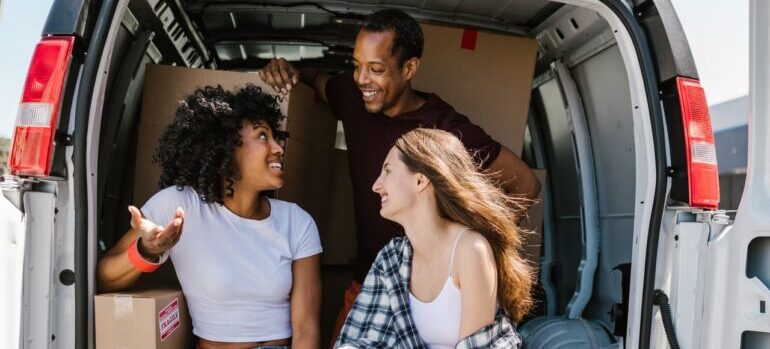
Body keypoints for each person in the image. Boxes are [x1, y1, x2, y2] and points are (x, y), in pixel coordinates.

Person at [258, 8, 541, 339]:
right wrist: (285, 69)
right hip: (368, 280)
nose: (362, 79)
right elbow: (315, 80)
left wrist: (464, 244)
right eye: (356, 65)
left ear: (410, 68)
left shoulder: (444, 129)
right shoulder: (351, 96)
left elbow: (525, 182)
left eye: (376, 69)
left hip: (431, 289)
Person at [96, 85, 322, 349]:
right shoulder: (180, 206)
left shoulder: (297, 222)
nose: (279, 148)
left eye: (276, 137)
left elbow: (306, 330)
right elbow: (104, 278)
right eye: (262, 136)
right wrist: (147, 251)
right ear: (226, 148)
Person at [335, 128, 534, 348]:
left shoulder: (469, 249)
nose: (376, 185)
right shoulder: (393, 257)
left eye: (388, 171)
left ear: (420, 181)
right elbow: (363, 338)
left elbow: (479, 347)